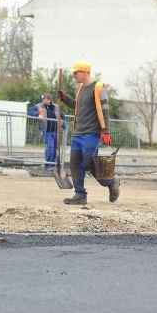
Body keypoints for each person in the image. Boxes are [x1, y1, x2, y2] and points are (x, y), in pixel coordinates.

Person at [57, 61, 119, 205]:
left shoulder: (98, 88)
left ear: (84, 72)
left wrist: (106, 131)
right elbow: (77, 106)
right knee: (75, 163)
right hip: (78, 133)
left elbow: (105, 110)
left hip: (92, 133)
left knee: (89, 162)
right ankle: (80, 195)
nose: (73, 76)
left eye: (76, 72)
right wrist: (65, 98)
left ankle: (111, 182)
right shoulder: (80, 89)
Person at [27, 93, 67, 170]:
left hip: (56, 131)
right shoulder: (39, 106)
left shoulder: (56, 107)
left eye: (47, 99)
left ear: (50, 100)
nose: (46, 100)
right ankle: (48, 165)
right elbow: (30, 111)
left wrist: (63, 126)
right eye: (44, 98)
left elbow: (63, 116)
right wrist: (37, 114)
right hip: (47, 131)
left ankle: (53, 164)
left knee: (55, 148)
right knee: (50, 147)